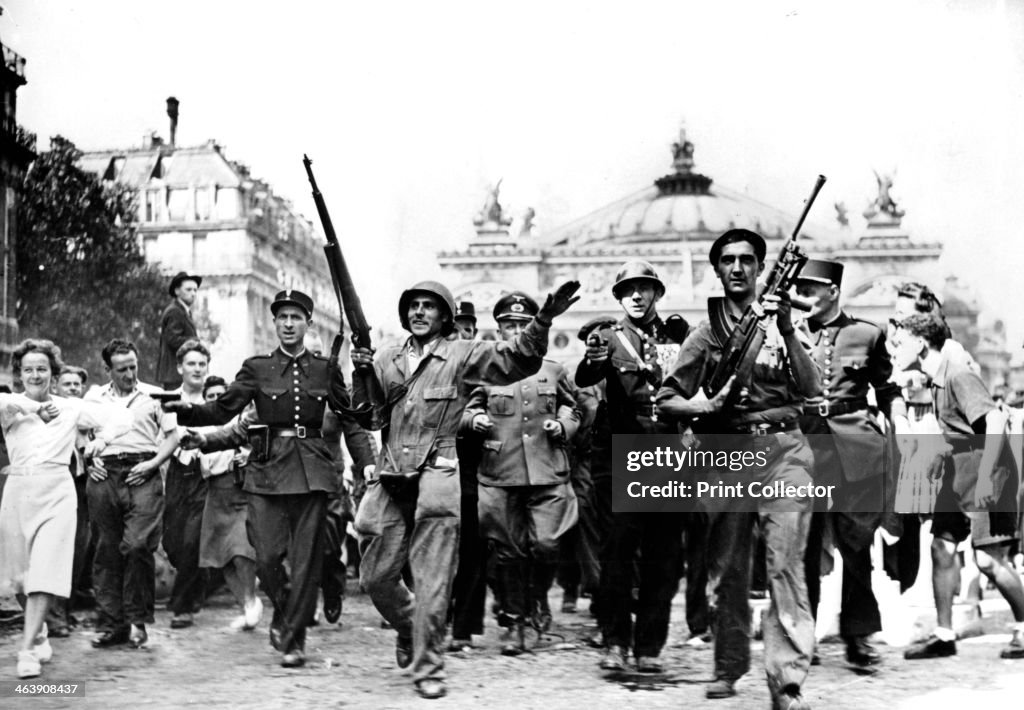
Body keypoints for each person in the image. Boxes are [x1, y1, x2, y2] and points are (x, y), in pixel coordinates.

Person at [350, 278, 580, 699]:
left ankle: (428, 666)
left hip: (437, 474)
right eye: (413, 306)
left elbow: (516, 361)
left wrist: (543, 319)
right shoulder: (387, 357)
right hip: (392, 474)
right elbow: (367, 416)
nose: (419, 312)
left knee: (433, 580)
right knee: (376, 577)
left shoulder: (461, 354)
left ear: (444, 316)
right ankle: (408, 627)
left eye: (429, 306)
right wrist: (361, 371)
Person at [657, 229, 819, 710]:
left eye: (748, 259)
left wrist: (788, 330)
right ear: (717, 269)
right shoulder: (705, 334)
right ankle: (728, 665)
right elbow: (668, 399)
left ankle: (786, 683)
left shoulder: (783, 324)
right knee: (727, 569)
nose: (737, 268)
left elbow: (811, 388)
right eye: (727, 260)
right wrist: (705, 405)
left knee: (786, 566)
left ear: (760, 267)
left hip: (785, 451)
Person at [165, 289, 356, 669]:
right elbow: (226, 407)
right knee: (266, 557)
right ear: (274, 323)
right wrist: (189, 413)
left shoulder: (325, 369)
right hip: (267, 472)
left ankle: (295, 639)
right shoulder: (256, 368)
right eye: (282, 317)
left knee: (305, 562)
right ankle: (284, 608)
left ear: (308, 323)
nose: (288, 324)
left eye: (296, 318)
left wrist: (364, 461)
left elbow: (352, 416)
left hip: (314, 473)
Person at [574, 260, 689, 674]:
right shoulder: (607, 338)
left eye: (644, 289)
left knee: (665, 553)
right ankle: (616, 640)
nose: (636, 296)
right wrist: (593, 358)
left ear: (657, 293)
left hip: (670, 455)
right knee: (619, 549)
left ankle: (649, 647)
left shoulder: (679, 336)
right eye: (628, 291)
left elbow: (694, 386)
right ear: (619, 298)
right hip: (623, 454)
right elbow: (587, 373)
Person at [794, 259, 905, 669]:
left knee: (856, 544)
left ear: (833, 292)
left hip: (857, 446)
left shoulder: (867, 333)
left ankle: (858, 635)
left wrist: (902, 427)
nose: (801, 295)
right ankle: (801, 637)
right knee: (802, 546)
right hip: (805, 448)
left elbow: (887, 388)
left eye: (809, 288)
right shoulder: (788, 334)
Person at [894, 313, 1024, 660]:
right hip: (959, 472)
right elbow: (960, 430)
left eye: (899, 342)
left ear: (920, 344)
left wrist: (984, 478)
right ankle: (944, 633)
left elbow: (994, 420)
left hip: (988, 470)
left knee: (987, 561)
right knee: (941, 548)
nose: (895, 348)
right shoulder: (936, 379)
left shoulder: (958, 374)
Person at [0, 340, 132, 678]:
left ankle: (27, 649)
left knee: (44, 571)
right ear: (19, 374)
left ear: (53, 374)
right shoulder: (10, 405)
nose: (34, 375)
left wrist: (101, 441)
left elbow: (122, 419)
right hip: (18, 491)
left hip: (57, 493)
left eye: (42, 369)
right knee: (17, 579)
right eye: (27, 369)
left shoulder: (72, 408)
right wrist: (34, 410)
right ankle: (40, 631)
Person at [462, 292, 580, 655]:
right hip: (500, 472)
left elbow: (573, 409)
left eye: (521, 325)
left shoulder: (553, 369)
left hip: (547, 471)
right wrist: (475, 419)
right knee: (508, 551)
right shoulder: (482, 373)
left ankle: (538, 598)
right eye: (508, 326)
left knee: (546, 544)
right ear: (497, 330)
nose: (515, 331)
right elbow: (463, 413)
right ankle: (515, 620)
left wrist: (563, 426)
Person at [86, 339, 180, 651]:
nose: (129, 374)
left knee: (138, 544)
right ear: (107, 369)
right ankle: (113, 625)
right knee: (106, 549)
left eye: (133, 367)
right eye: (122, 369)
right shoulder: (94, 397)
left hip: (143, 471)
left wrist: (153, 463)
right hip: (104, 474)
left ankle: (138, 620)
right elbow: (77, 431)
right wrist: (88, 460)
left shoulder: (154, 394)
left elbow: (173, 436)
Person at [194, 375, 261, 631]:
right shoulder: (199, 424)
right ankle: (247, 603)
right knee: (221, 556)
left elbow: (262, 446)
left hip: (241, 488)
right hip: (215, 491)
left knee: (241, 549)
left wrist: (249, 458)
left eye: (219, 396)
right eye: (209, 396)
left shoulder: (242, 420)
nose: (214, 400)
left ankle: (250, 600)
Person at [448, 300, 489, 651]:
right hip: (438, 474)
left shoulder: (485, 376)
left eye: (467, 329)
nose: (460, 335)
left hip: (475, 476)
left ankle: (464, 627)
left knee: (473, 555)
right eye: (454, 329)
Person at [164, 339, 212, 629]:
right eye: (191, 364)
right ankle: (200, 581)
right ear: (180, 367)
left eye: (202, 364)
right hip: (174, 473)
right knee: (172, 542)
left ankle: (181, 607)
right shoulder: (166, 400)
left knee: (192, 539)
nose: (197, 369)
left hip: (203, 475)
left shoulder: (214, 404)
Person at [157, 271, 201, 391]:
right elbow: (173, 340)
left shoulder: (183, 311)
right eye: (188, 289)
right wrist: (195, 342)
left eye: (195, 290)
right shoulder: (175, 311)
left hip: (180, 373)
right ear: (177, 291)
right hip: (175, 375)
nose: (193, 294)